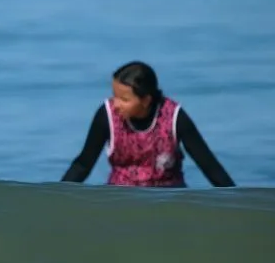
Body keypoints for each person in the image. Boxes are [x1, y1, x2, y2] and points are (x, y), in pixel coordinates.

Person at [61, 61, 233, 187]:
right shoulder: (106, 115)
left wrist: (235, 202)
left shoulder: (174, 117)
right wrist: (58, 200)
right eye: (115, 95)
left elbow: (209, 166)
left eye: (124, 99)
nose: (116, 104)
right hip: (120, 201)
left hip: (167, 201)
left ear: (146, 100)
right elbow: (83, 165)